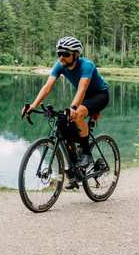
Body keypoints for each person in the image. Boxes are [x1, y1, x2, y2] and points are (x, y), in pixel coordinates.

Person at [21, 36, 110, 188]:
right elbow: (47, 87)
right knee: (63, 122)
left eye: (65, 54)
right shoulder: (60, 65)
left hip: (99, 95)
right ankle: (75, 171)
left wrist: (74, 108)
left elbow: (82, 89)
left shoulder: (87, 65)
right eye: (59, 53)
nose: (61, 56)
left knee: (78, 114)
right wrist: (33, 106)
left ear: (75, 54)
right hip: (83, 97)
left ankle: (87, 154)